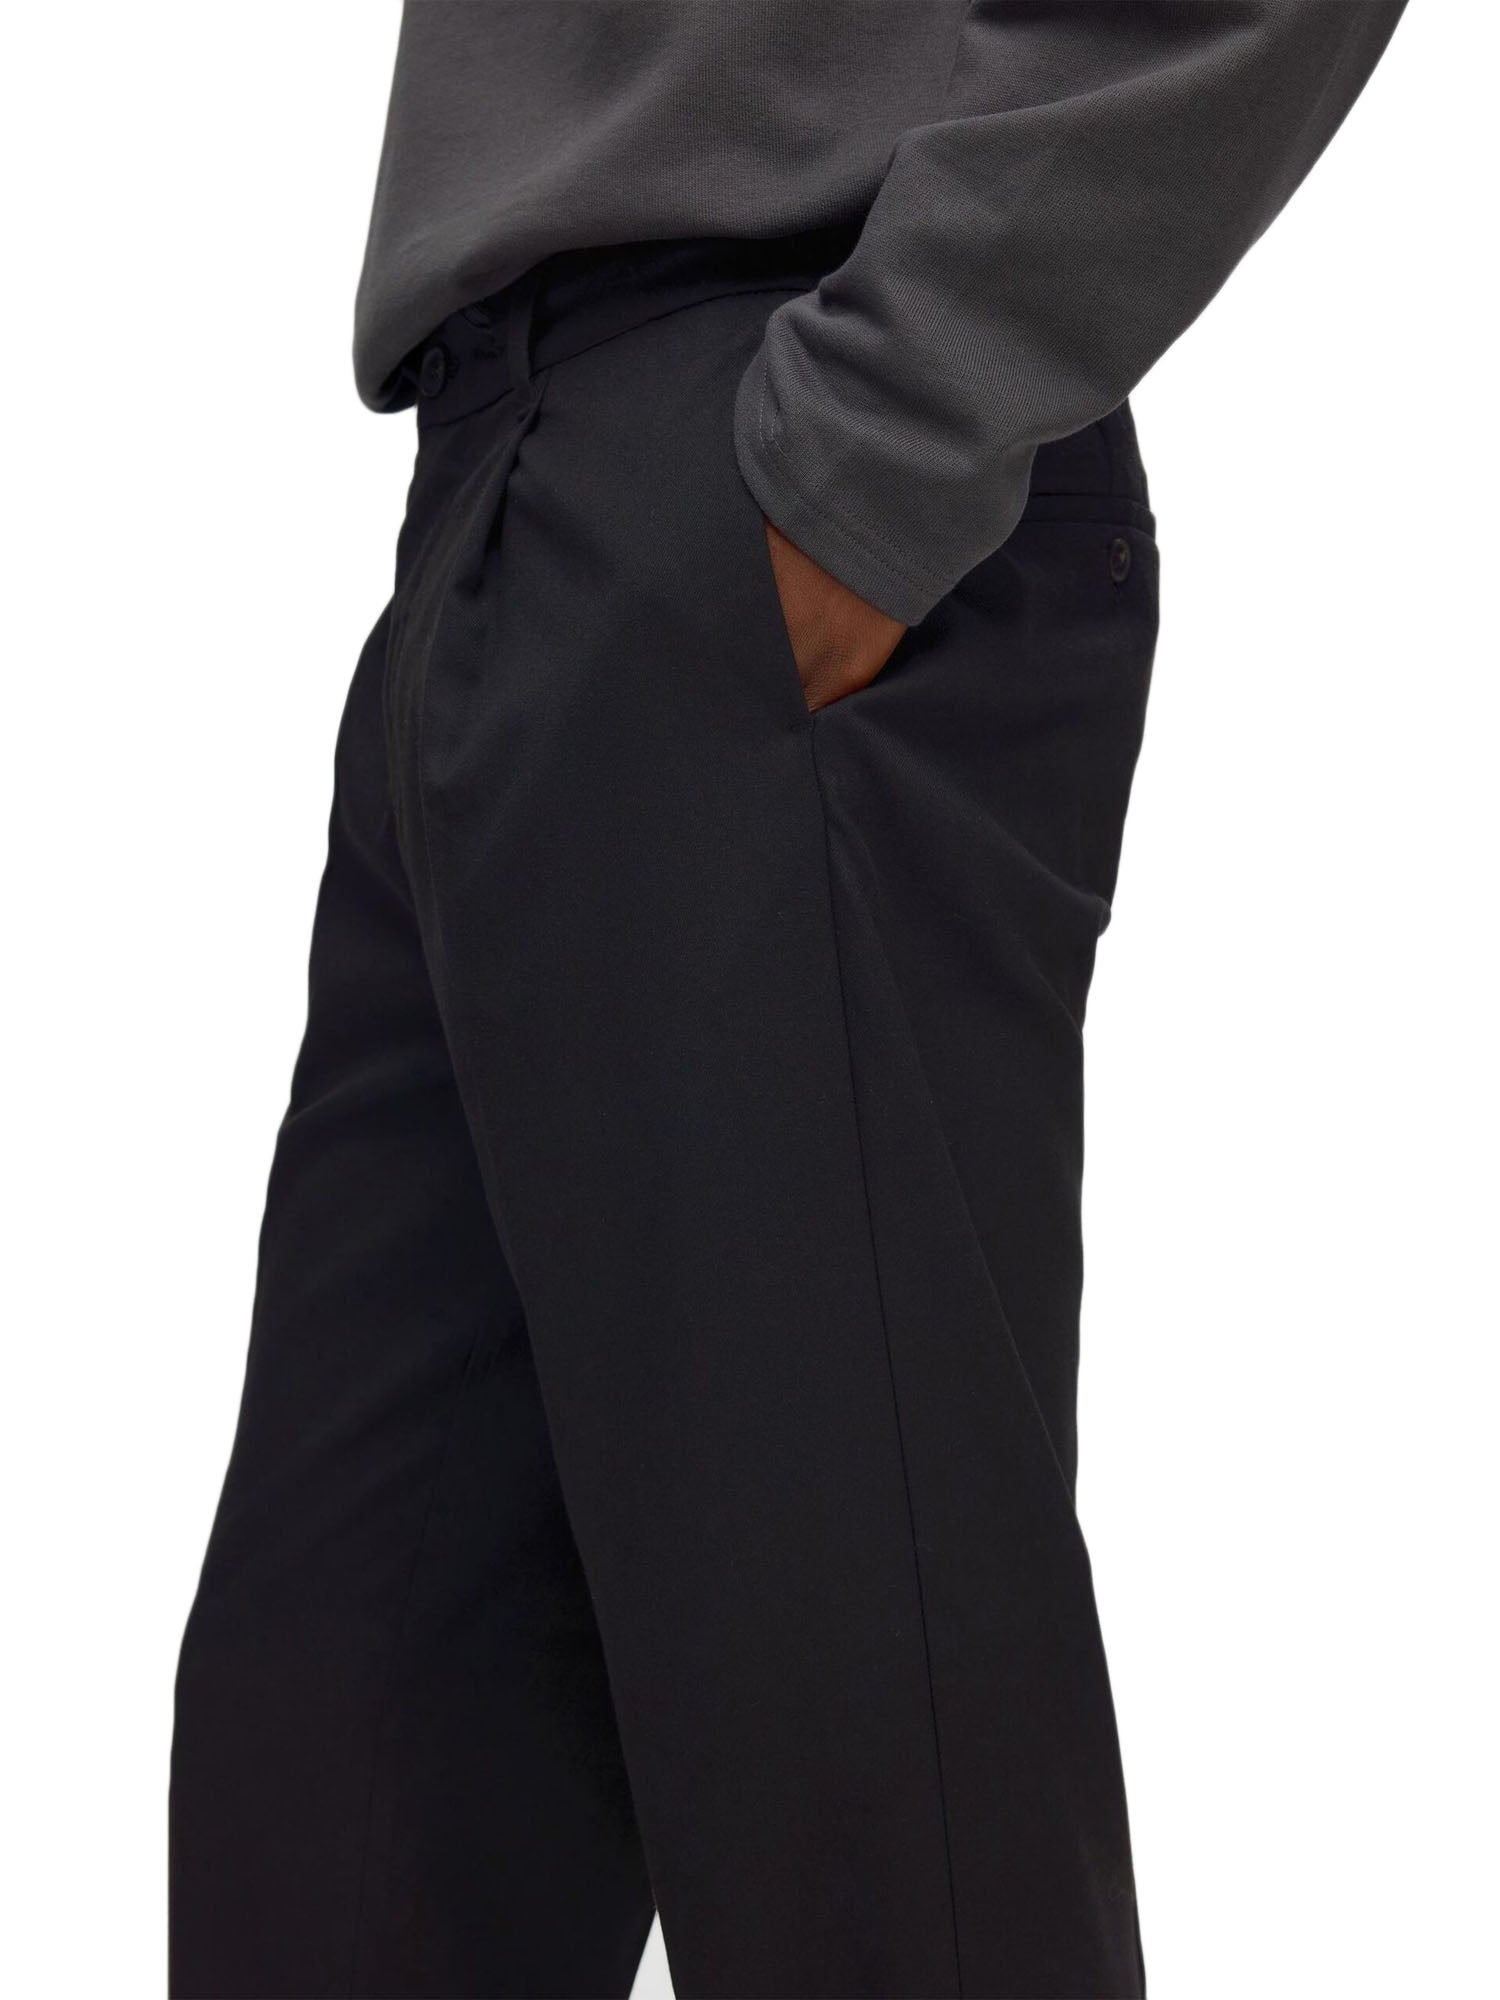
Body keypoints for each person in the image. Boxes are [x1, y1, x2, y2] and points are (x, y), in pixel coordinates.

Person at [168, 6, 1407, 1995]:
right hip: (497, 487)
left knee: (868, 1832)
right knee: (333, 1804)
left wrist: (891, 425)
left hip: (778, 454)